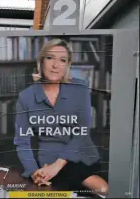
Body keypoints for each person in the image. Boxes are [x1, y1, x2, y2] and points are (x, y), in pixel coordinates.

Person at [13, 38, 109, 196]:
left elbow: (82, 132)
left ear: (67, 65)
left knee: (103, 189)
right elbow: (21, 141)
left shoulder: (80, 88)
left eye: (62, 60)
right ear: (41, 61)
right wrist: (33, 171)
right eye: (50, 58)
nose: (55, 65)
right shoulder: (26, 97)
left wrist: (56, 166)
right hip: (48, 160)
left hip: (81, 155)